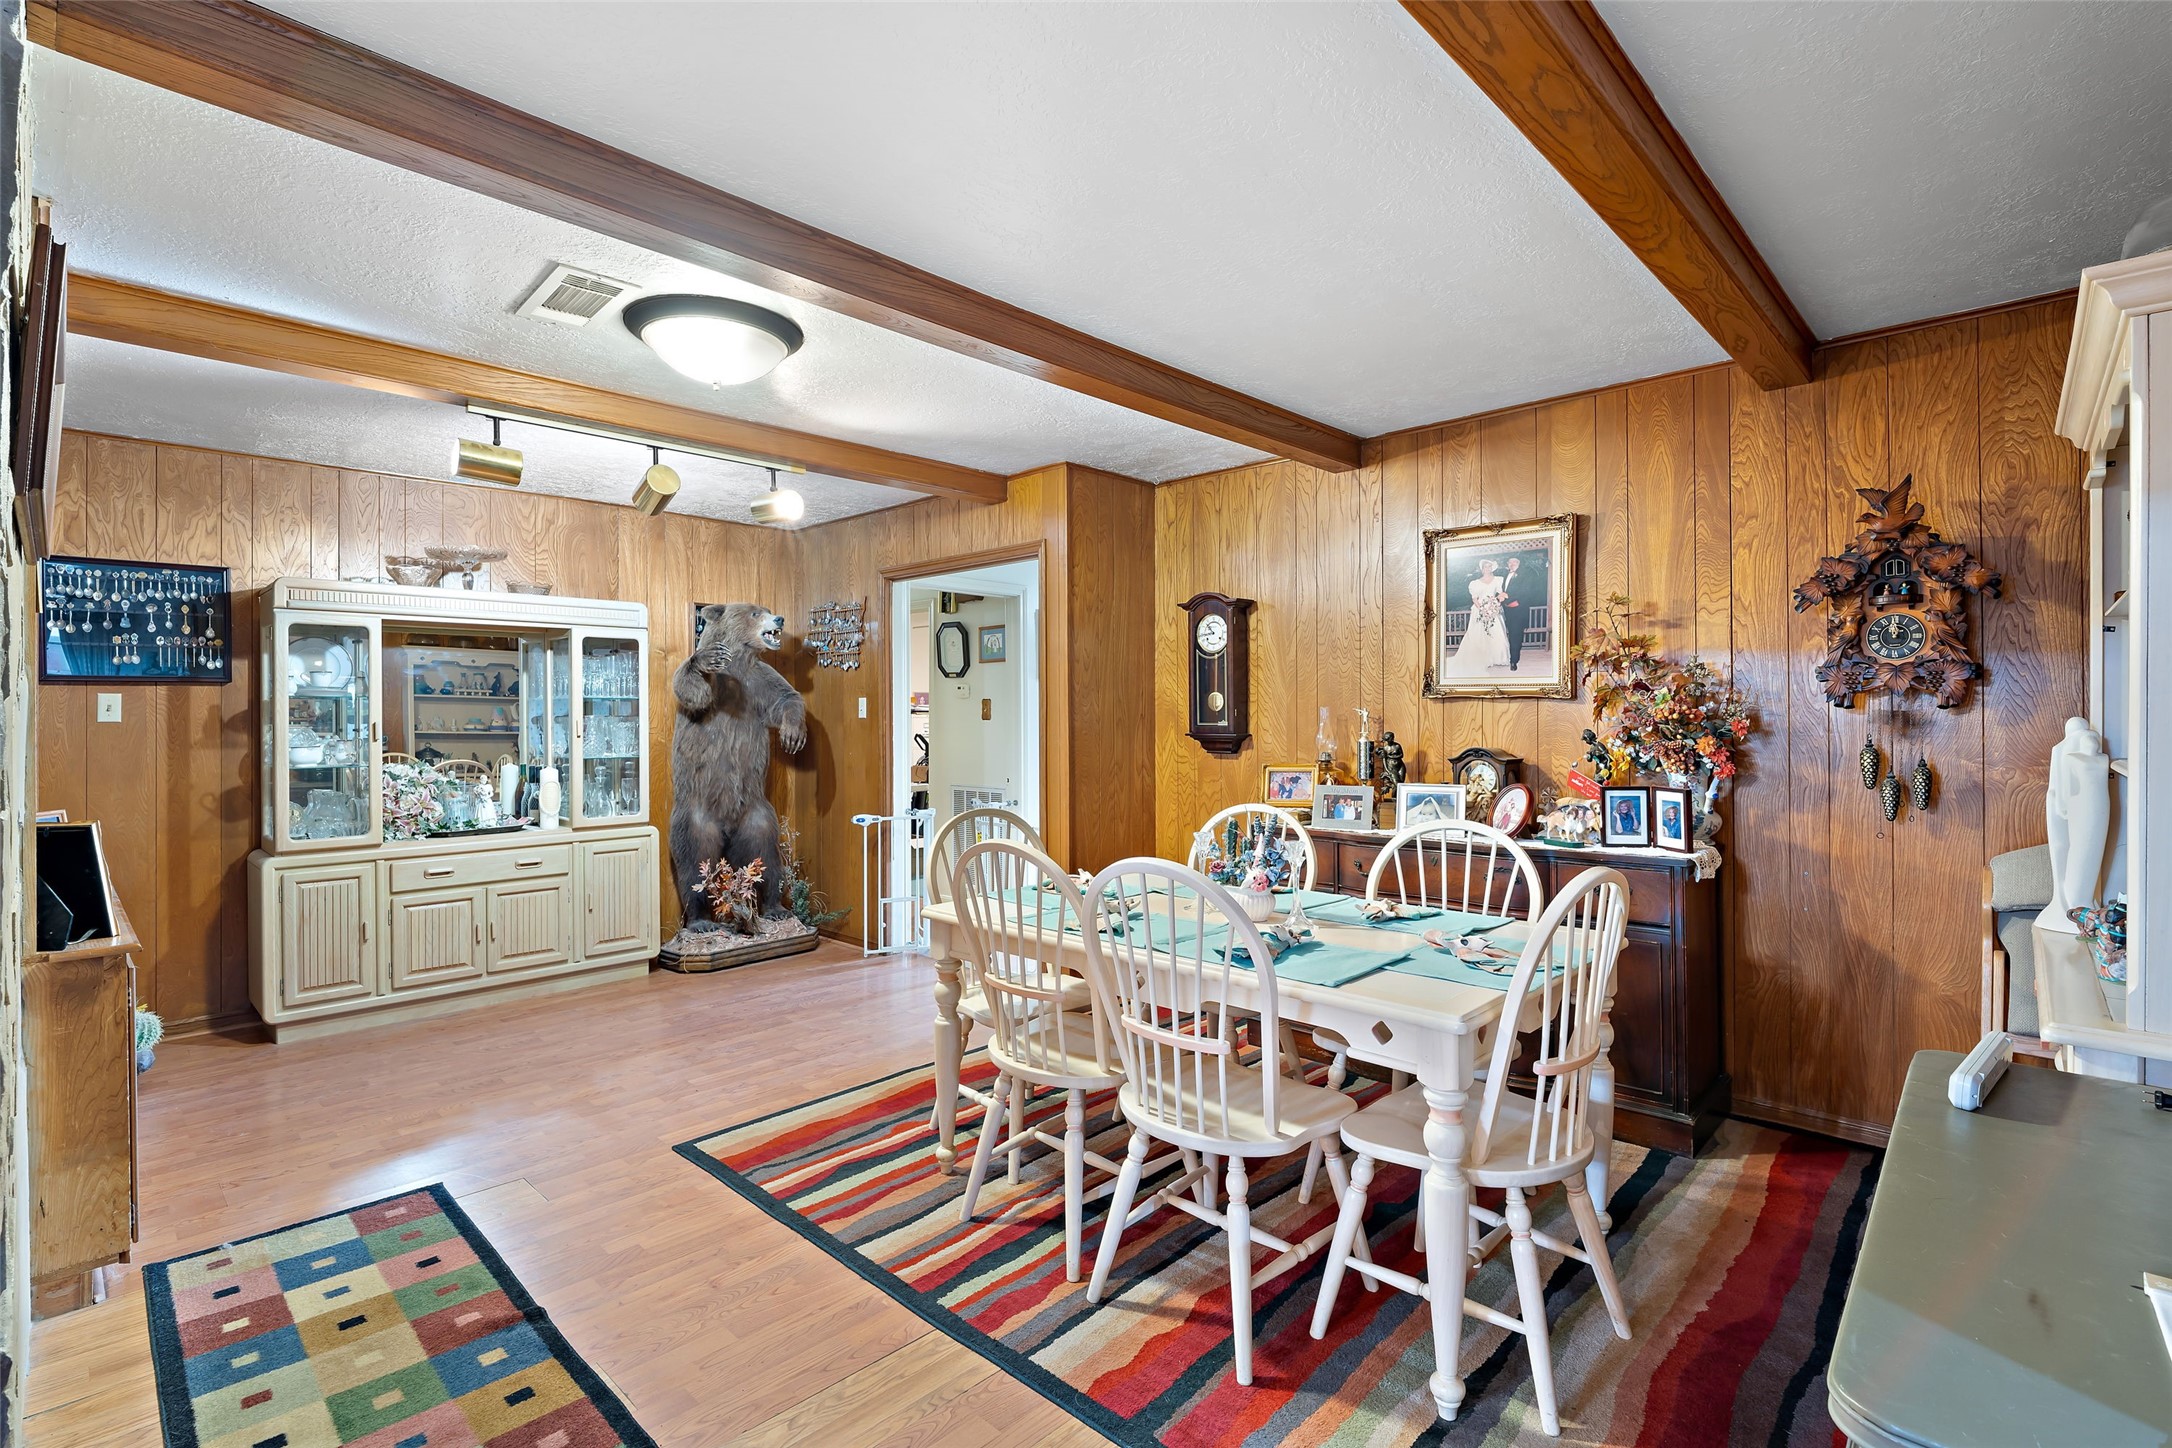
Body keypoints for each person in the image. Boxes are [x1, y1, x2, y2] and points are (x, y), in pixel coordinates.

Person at [1449, 559, 1508, 672]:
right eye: (1485, 567)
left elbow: (1501, 594)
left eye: (1489, 566)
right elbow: (1475, 598)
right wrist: (1482, 609)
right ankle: (1480, 657)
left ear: (1492, 568)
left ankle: (1496, 657)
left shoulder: (1498, 580)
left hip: (1493, 609)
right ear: (1482, 569)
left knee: (1495, 633)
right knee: (1478, 633)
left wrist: (1496, 603)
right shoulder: (1475, 583)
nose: (1487, 569)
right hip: (1479, 609)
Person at [1501, 553, 1547, 672]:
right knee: (1508, 635)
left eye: (1514, 562)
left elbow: (1526, 591)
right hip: (1505, 610)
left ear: (1519, 564)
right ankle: (1505, 658)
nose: (1512, 564)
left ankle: (1514, 661)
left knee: (1515, 635)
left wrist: (1510, 598)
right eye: (1510, 562)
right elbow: (1501, 591)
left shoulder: (1526, 575)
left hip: (1518, 610)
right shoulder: (1505, 575)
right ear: (1507, 564)